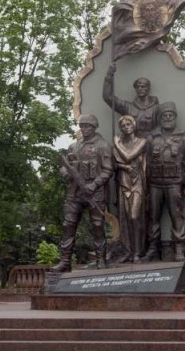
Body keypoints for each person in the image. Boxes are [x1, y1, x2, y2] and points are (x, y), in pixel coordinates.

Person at [53, 114, 114, 272]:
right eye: (82, 126)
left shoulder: (103, 146)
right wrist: (64, 172)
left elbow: (108, 170)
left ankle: (101, 259)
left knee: (97, 226)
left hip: (95, 193)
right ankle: (65, 261)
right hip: (74, 192)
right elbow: (65, 165)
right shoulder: (74, 146)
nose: (85, 129)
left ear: (94, 127)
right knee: (68, 225)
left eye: (88, 126)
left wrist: (94, 185)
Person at [143, 101, 185, 262]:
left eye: (170, 115)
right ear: (160, 118)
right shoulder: (151, 139)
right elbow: (145, 163)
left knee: (177, 216)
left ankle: (178, 248)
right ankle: (153, 248)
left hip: (174, 183)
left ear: (175, 117)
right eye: (164, 115)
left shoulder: (184, 139)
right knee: (152, 216)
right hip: (154, 183)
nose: (167, 118)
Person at [113, 115, 147, 263]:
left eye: (129, 124)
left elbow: (128, 156)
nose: (126, 127)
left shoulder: (142, 141)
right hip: (123, 181)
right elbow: (114, 163)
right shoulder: (119, 143)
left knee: (134, 216)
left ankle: (138, 252)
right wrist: (124, 167)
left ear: (134, 126)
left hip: (137, 181)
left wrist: (116, 143)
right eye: (123, 125)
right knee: (125, 218)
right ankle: (129, 251)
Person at [103, 62, 160, 139]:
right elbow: (107, 97)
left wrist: (152, 136)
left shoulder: (156, 108)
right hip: (132, 143)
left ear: (148, 88)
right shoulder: (127, 107)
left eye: (143, 86)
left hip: (151, 143)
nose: (140, 89)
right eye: (138, 87)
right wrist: (109, 75)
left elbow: (162, 126)